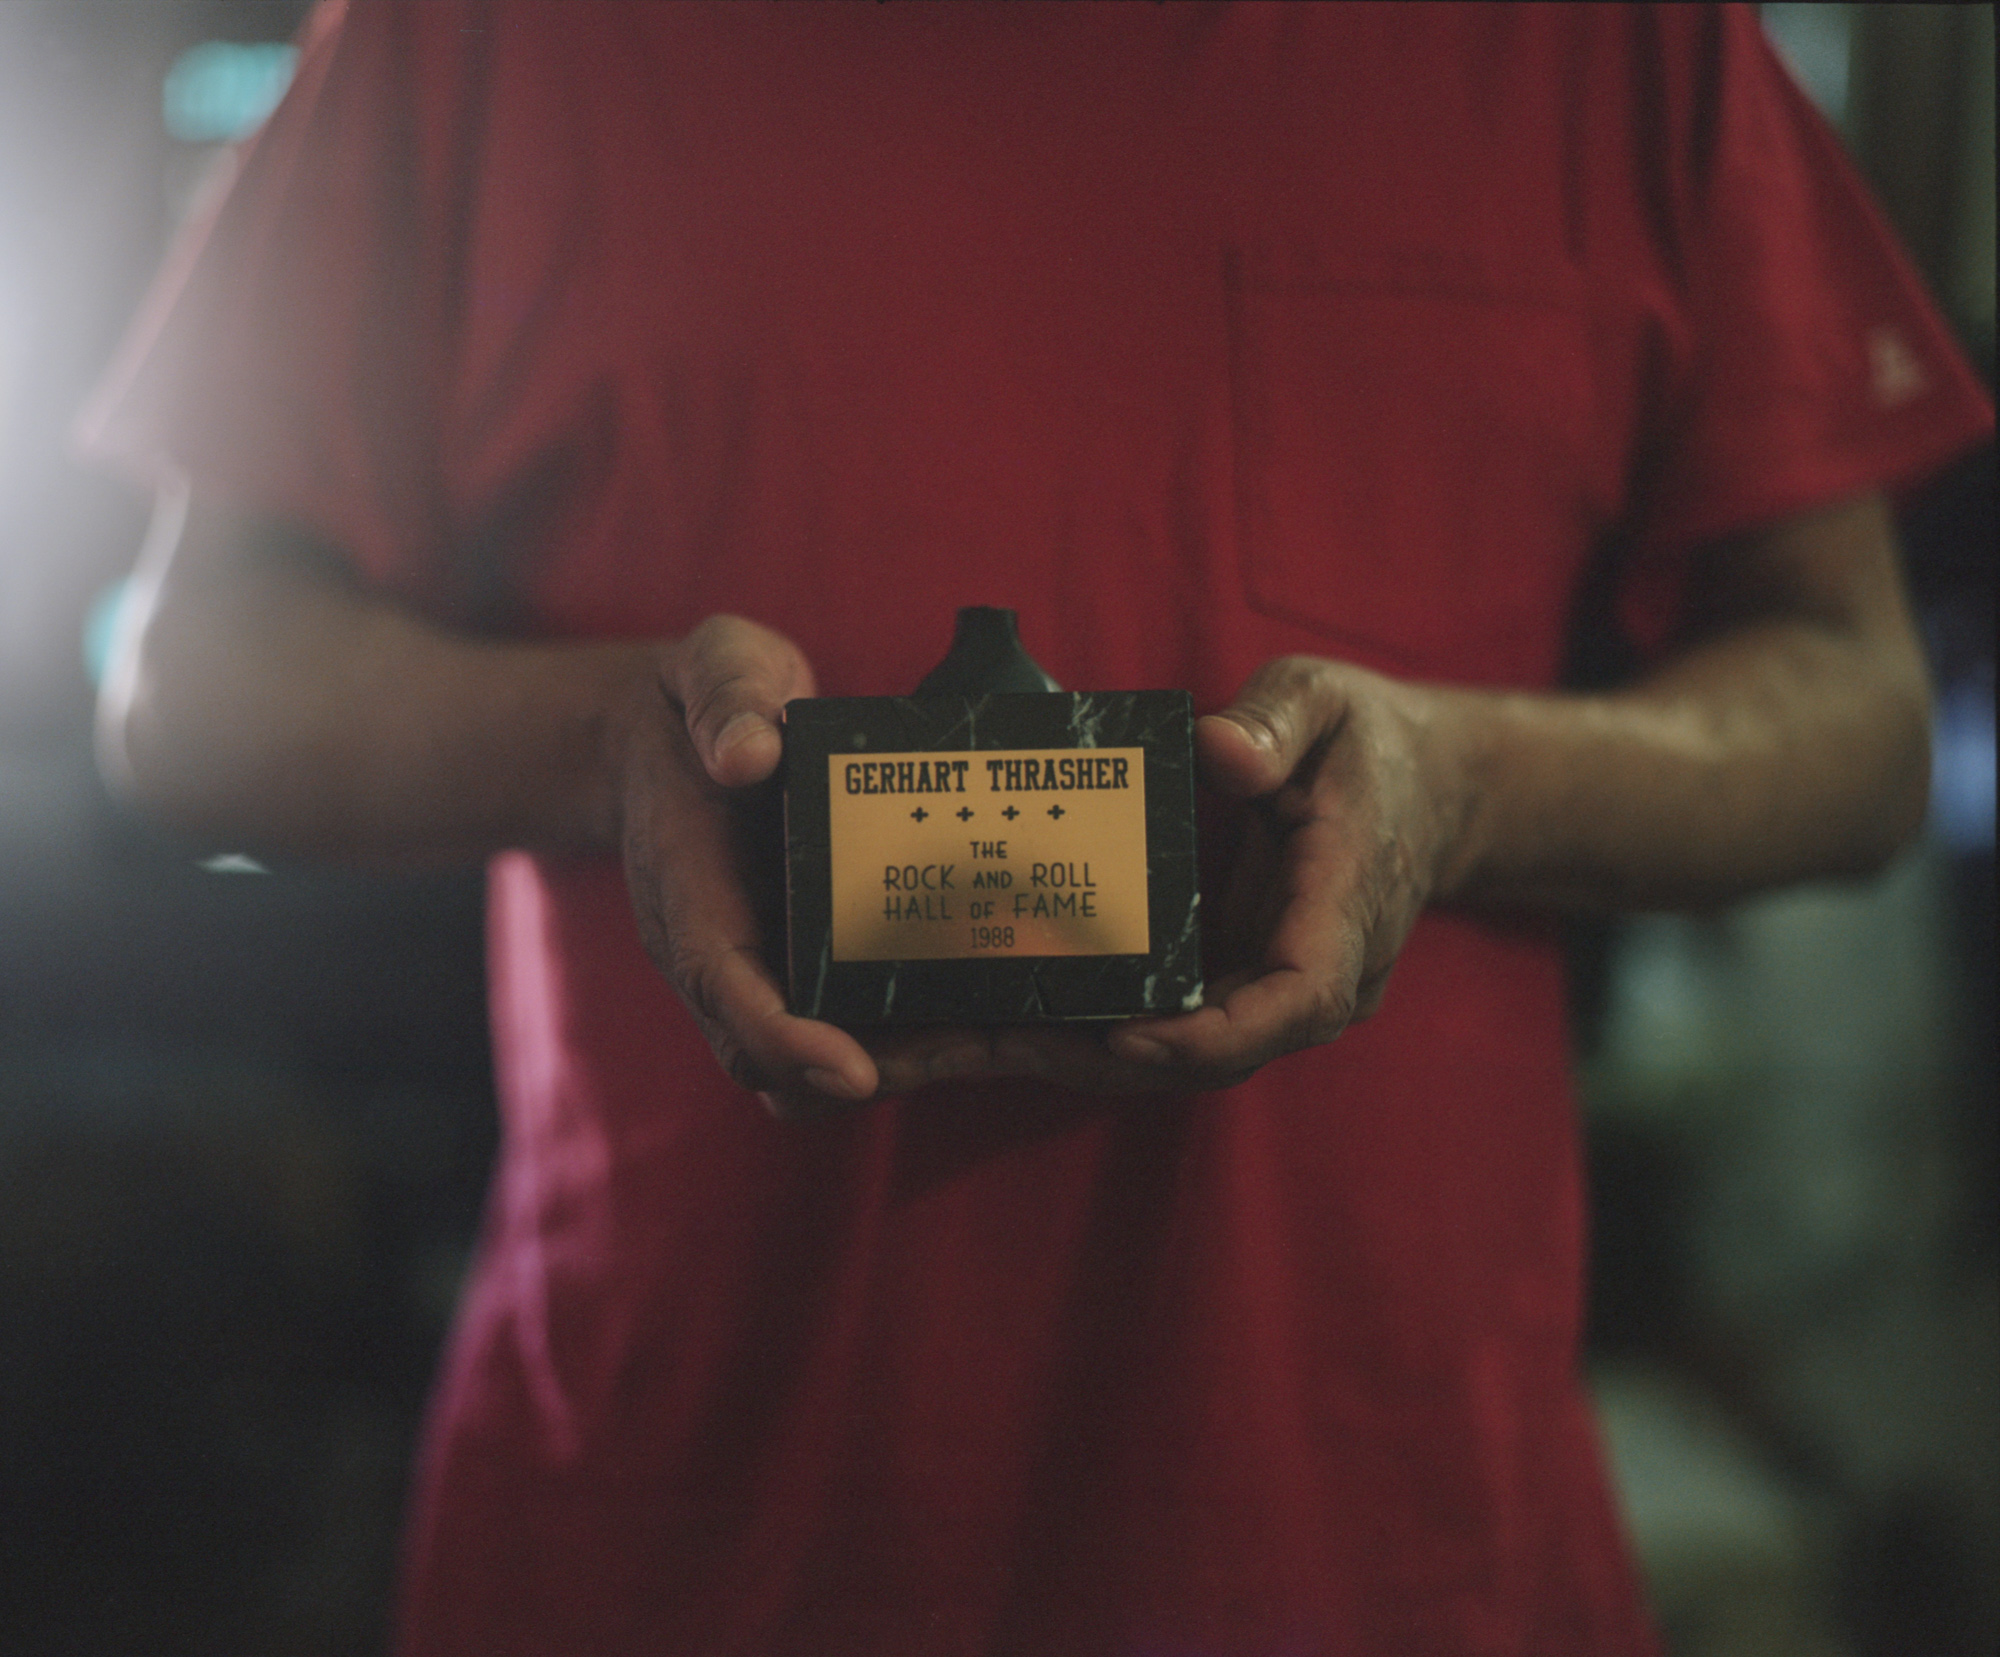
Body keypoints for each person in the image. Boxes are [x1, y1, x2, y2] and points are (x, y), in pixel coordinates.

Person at [81, 3, 1991, 1653]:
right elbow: (189, 687)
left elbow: (1856, 705)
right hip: (673, 1547)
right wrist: (607, 743)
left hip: (1387, 1564)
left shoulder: (1617, 41)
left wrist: (1465, 784)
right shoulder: (481, 35)